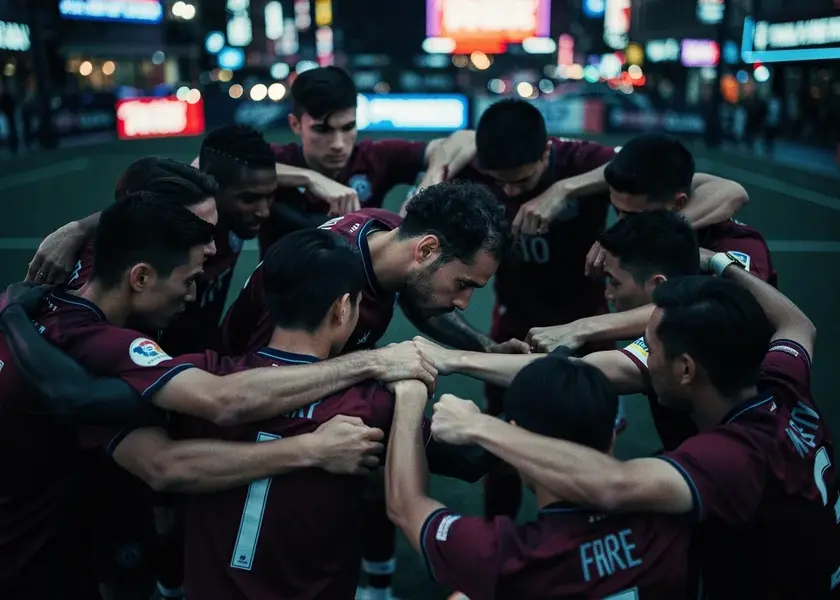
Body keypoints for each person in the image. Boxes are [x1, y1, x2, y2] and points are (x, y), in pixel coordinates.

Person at [0, 196, 433, 599]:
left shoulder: (75, 295)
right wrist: (378, 379)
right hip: (29, 547)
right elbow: (203, 419)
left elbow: (166, 460)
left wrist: (75, 230)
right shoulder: (108, 348)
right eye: (189, 279)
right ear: (344, 308)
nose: (193, 296)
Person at [430, 263, 839, 599]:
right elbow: (798, 323)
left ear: (685, 370)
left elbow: (616, 483)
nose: (637, 357)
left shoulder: (734, 455)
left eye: (647, 346)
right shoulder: (783, 382)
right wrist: (719, 264)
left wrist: (479, 427)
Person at [435, 101, 749, 520]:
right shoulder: (482, 158)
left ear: (546, 153)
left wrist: (579, 198)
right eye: (499, 184)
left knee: (593, 447)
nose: (510, 193)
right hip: (515, 327)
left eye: (523, 180)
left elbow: (728, 190)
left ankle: (595, 551)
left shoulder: (582, 161)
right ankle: (498, 543)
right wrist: (434, 172)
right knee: (500, 448)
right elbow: (451, 142)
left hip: (591, 326)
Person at [181, 228, 494, 600]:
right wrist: (421, 399)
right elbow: (471, 459)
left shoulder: (200, 379)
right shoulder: (372, 405)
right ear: (343, 307)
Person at [387, 356, 696, 599]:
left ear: (513, 435)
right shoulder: (674, 514)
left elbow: (405, 505)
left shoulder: (506, 554)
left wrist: (409, 394)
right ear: (613, 435)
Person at [415, 210, 702, 453]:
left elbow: (581, 369)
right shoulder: (703, 307)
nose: (609, 294)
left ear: (658, 284)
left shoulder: (680, 336)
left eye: (614, 282)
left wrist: (449, 359)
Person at [26, 125, 279, 353]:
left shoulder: (216, 206)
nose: (264, 211)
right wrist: (79, 228)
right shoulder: (103, 329)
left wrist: (308, 178)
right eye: (249, 199)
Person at [528, 132, 775, 355]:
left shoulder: (736, 244)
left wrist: (582, 328)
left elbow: (717, 307)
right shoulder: (655, 223)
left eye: (634, 217)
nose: (623, 226)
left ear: (677, 204)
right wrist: (564, 188)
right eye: (618, 212)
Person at [263, 66, 475, 252]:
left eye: (348, 127)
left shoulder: (373, 156)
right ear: (295, 125)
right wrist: (310, 178)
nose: (338, 143)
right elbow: (231, 166)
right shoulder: (278, 159)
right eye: (322, 129)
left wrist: (429, 183)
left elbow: (466, 139)